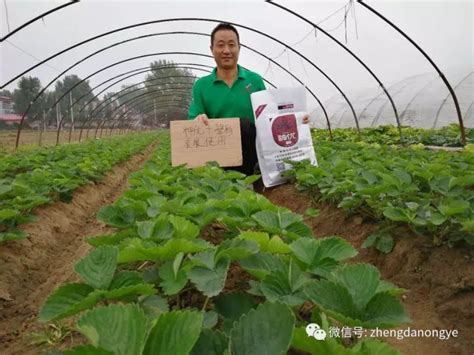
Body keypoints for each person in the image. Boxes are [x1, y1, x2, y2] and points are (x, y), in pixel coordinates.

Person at [188, 22, 309, 175]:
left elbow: (270, 118)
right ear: (212, 49)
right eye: (220, 45)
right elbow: (193, 121)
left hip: (252, 153)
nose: (226, 50)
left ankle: (253, 176)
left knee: (245, 125)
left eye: (231, 45)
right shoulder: (201, 86)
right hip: (218, 157)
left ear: (239, 48)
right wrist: (198, 119)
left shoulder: (255, 81)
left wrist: (297, 120)